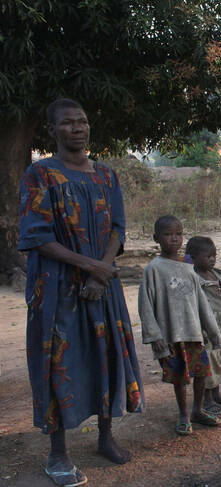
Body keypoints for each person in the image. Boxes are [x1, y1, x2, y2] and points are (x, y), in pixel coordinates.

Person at [19, 98, 143, 486]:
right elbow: (36, 237)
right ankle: (58, 455)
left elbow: (118, 229)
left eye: (83, 121)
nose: (78, 128)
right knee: (58, 365)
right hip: (57, 290)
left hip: (101, 288)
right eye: (69, 123)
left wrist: (101, 272)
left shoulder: (107, 176)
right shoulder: (40, 175)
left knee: (106, 357)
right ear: (53, 130)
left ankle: (106, 437)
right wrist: (90, 268)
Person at [138, 216, 221, 436]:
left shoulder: (189, 270)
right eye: (168, 235)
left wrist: (214, 333)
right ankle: (184, 414)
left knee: (201, 372)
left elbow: (202, 303)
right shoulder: (154, 270)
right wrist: (154, 335)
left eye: (178, 234)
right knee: (179, 377)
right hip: (170, 335)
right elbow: (145, 305)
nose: (174, 239)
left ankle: (198, 409)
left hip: (194, 332)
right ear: (156, 238)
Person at [185, 236, 221, 414]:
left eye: (214, 255)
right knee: (208, 363)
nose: (213, 259)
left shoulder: (215, 274)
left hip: (220, 326)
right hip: (205, 330)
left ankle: (216, 393)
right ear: (193, 258)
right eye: (208, 257)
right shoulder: (194, 279)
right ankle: (206, 399)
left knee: (219, 359)